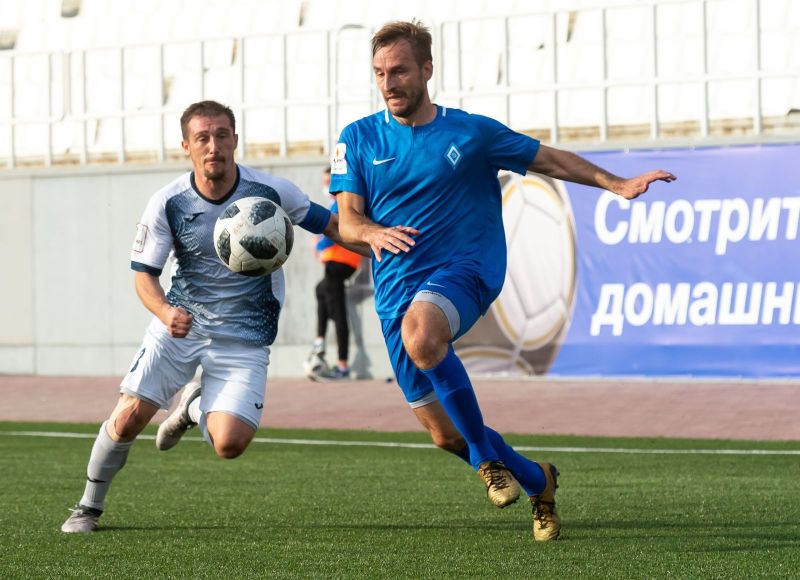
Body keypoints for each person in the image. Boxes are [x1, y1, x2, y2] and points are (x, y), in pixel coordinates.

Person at [330, 20, 676, 542]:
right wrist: (372, 232)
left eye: (399, 70)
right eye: (379, 73)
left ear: (427, 69)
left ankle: (487, 462)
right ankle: (538, 479)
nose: (388, 83)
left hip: (466, 270)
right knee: (445, 435)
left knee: (422, 335)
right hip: (396, 290)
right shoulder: (357, 138)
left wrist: (616, 183)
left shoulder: (471, 133)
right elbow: (349, 222)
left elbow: (549, 159)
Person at [61, 100, 366, 533]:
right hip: (180, 326)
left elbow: (333, 226)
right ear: (186, 146)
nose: (213, 146)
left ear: (235, 140)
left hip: (246, 334)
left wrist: (380, 243)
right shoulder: (168, 202)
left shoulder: (271, 192)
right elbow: (144, 276)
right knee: (129, 417)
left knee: (230, 444)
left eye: (222, 135)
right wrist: (165, 311)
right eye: (202, 137)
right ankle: (88, 507)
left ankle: (192, 406)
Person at [306, 167, 363, 381]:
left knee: (338, 312)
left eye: (329, 181)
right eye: (324, 181)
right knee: (320, 290)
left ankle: (342, 365)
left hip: (340, 262)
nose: (326, 186)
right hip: (339, 262)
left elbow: (333, 232)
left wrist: (318, 245)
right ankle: (320, 341)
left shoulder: (340, 202)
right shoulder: (338, 202)